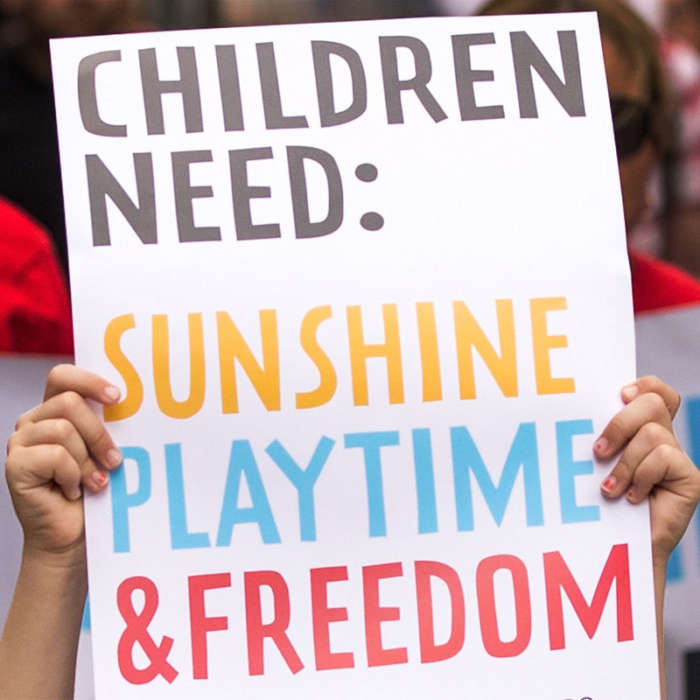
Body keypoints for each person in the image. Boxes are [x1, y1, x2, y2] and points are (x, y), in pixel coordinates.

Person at [478, 0, 700, 315]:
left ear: (658, 139)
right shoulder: (403, 328)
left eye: (614, 122)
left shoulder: (688, 320)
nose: (563, 163)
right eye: (516, 127)